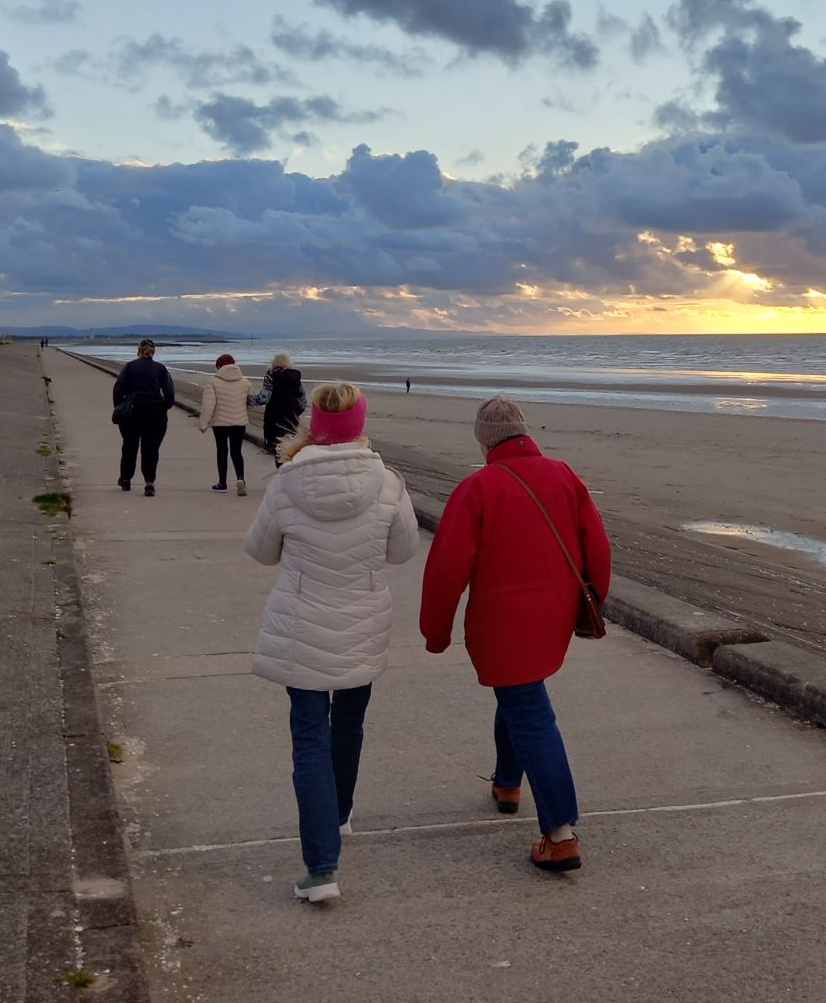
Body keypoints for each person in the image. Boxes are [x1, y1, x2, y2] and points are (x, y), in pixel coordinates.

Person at [244, 382, 419, 904]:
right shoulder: (387, 482)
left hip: (302, 622)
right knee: (348, 720)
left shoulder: (287, 482)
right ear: (359, 424)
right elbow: (404, 550)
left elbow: (260, 551)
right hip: (363, 617)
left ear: (312, 426)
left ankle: (322, 868)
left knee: (309, 736)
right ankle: (339, 814)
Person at [420, 396, 611, 874]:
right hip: (554, 615)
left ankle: (560, 833)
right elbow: (598, 549)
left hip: (502, 621)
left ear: (483, 437)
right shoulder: (564, 474)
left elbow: (446, 569)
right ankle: (507, 782)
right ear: (525, 431)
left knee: (528, 709)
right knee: (520, 694)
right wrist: (590, 604)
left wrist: (436, 631)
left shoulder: (478, 487)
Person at [113, 339, 175, 496]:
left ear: (138, 351)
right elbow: (169, 393)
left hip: (133, 411)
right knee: (151, 448)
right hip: (155, 411)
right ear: (153, 352)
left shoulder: (129, 367)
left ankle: (126, 479)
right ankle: (149, 482)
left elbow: (118, 389)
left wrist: (120, 407)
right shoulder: (161, 369)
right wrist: (164, 407)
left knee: (129, 446)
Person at [197, 352, 252, 495]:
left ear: (219, 366)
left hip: (220, 423)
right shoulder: (245, 382)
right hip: (239, 422)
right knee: (237, 451)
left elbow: (209, 405)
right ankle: (241, 479)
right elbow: (251, 402)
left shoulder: (213, 382)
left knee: (222, 451)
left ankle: (222, 482)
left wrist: (204, 424)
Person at [251, 352, 307, 463]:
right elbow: (303, 400)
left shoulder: (270, 376)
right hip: (292, 416)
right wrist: (296, 412)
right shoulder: (296, 377)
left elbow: (264, 398)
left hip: (274, 416)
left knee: (278, 449)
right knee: (290, 449)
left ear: (273, 362)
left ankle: (282, 474)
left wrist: (248, 400)